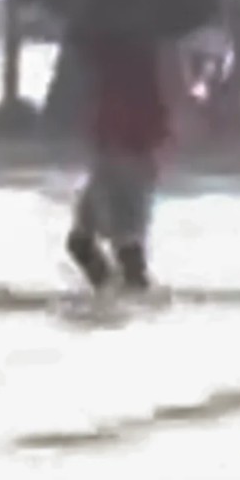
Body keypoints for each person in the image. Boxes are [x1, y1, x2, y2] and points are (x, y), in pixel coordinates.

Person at [66, 29, 173, 292]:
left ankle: (134, 295)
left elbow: (156, 117)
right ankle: (112, 291)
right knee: (82, 242)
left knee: (126, 242)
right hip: (111, 155)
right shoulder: (112, 62)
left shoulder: (135, 61)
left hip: (130, 155)